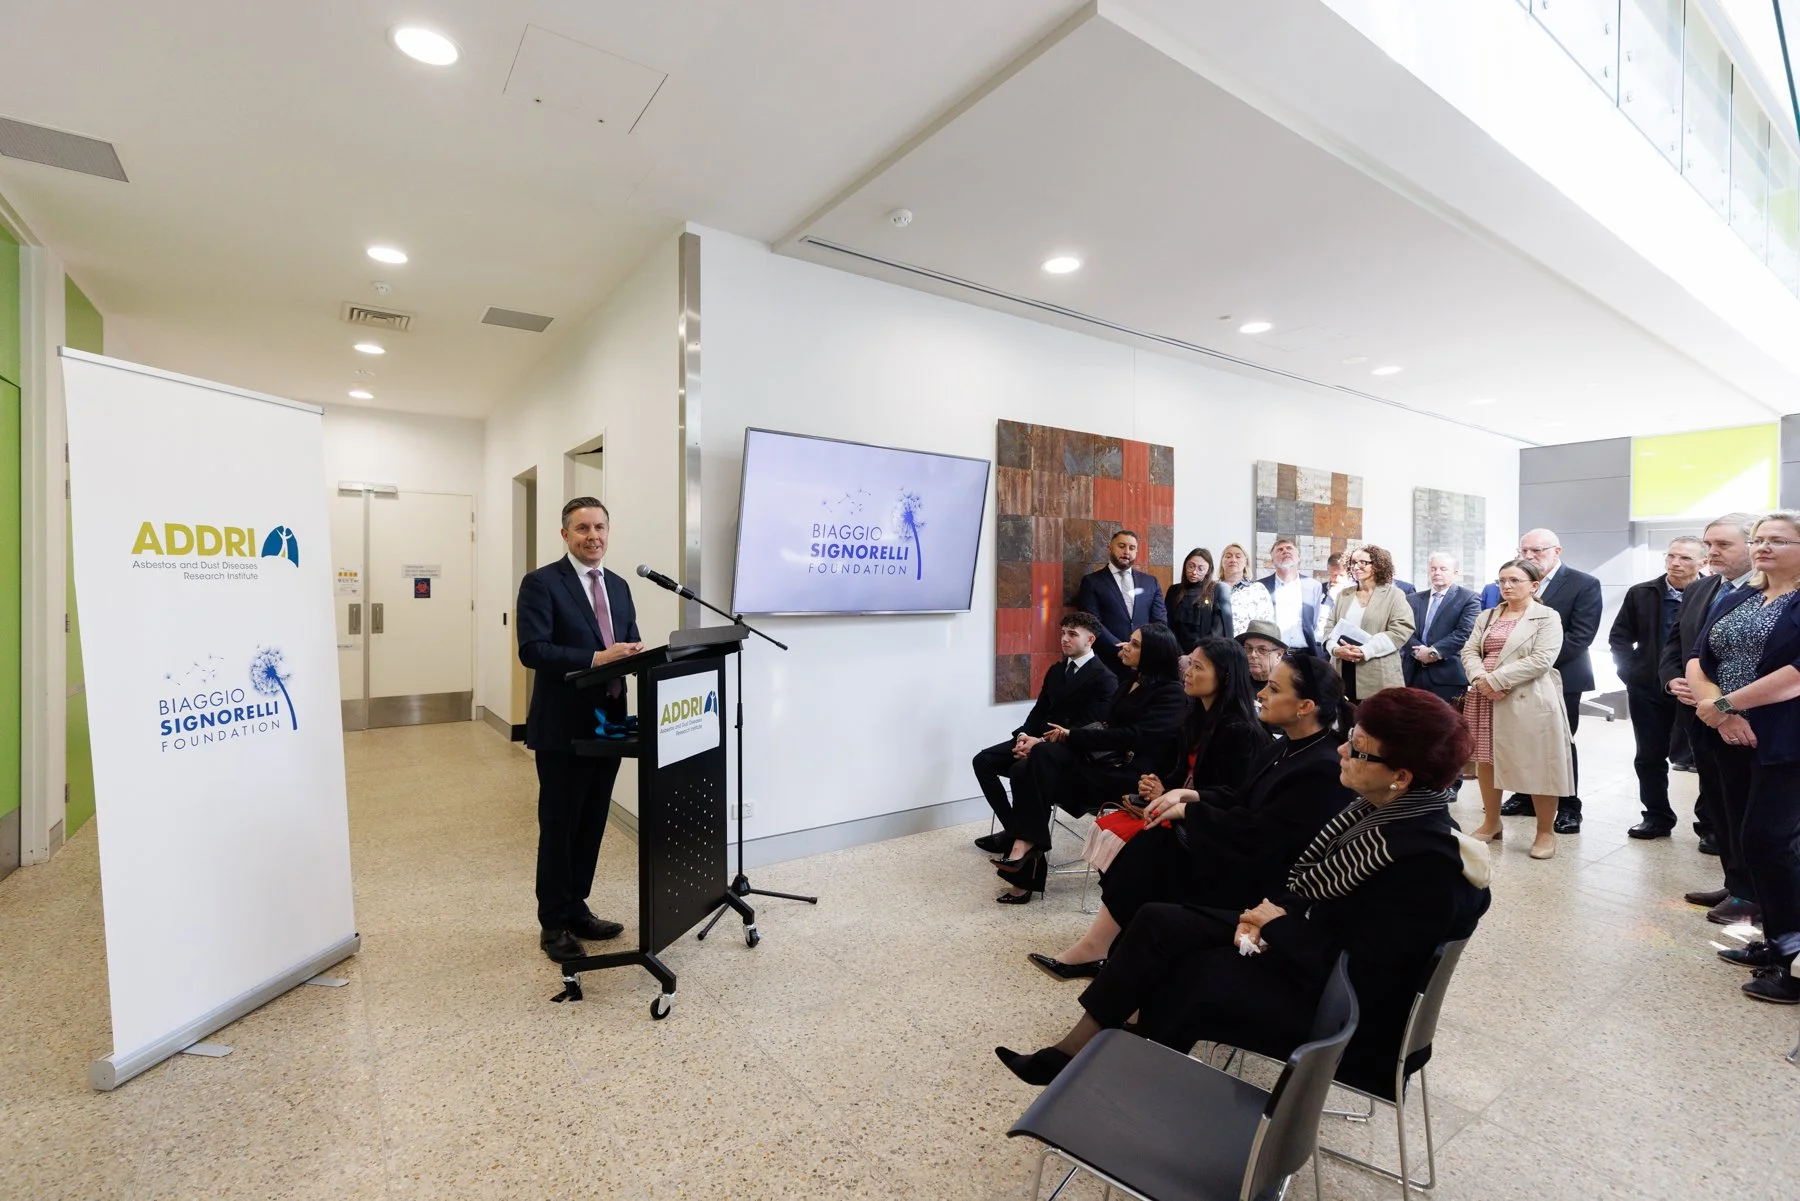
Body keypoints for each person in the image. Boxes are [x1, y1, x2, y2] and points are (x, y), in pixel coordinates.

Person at [995, 687, 1492, 1091]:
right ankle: (1074, 1053)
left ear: (1401, 776)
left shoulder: (1423, 861)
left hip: (1344, 1013)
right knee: (1158, 920)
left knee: (1191, 972)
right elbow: (1312, 886)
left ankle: (1130, 1086)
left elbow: (1369, 972)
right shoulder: (1379, 813)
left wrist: (1273, 925)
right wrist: (1267, 917)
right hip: (1306, 942)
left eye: (1358, 749)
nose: (1343, 750)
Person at [1028, 648, 1343, 979]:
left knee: (1156, 847)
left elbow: (1262, 831)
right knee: (1153, 842)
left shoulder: (1316, 765)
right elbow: (1239, 795)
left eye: (1274, 689)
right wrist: (1185, 794)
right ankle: (1105, 945)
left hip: (1262, 875)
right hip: (1243, 845)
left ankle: (1105, 947)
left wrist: (1188, 809)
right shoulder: (1283, 746)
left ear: (1305, 707)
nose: (1261, 694)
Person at [516, 498, 645, 963]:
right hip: (563, 727)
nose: (594, 536)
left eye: (600, 527)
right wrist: (597, 658)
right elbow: (533, 650)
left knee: (591, 822)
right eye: (583, 528)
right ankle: (553, 922)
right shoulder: (542, 583)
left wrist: (635, 653)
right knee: (560, 825)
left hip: (610, 726)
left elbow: (626, 639)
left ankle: (577, 907)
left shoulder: (620, 585)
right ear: (565, 534)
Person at [1688, 511, 1800, 1004]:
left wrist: (1727, 705)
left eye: (1779, 540)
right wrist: (1720, 714)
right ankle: (1776, 943)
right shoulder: (1741, 596)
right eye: (1758, 539)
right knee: (1746, 840)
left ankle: (1794, 960)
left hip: (1784, 739)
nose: (1763, 547)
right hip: (1729, 736)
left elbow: (1796, 674)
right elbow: (1698, 658)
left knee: (1771, 841)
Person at [994, 624, 1187, 903]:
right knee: (1028, 765)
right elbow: (1107, 727)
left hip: (1132, 775)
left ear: (1154, 653)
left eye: (1134, 644)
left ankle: (1024, 850)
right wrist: (1055, 738)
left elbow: (1133, 736)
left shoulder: (1171, 693)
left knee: (1030, 769)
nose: (1124, 646)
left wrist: (1071, 735)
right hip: (1104, 762)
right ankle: (1024, 849)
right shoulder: (1130, 683)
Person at [1662, 515, 1759, 922]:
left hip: (1746, 719)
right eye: (1709, 544)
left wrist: (1723, 705)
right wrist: (1672, 680)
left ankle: (1756, 894)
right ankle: (1736, 883)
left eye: (1723, 544)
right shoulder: (1701, 588)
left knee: (1750, 810)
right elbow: (1676, 644)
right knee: (1719, 804)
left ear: (1752, 546)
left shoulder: (1771, 590)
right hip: (1698, 716)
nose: (1712, 552)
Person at [971, 612, 1119, 854]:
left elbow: (1086, 728)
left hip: (1068, 750)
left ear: (1090, 640)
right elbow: (1039, 711)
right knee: (983, 761)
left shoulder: (1105, 678)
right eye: (1063, 633)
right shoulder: (1057, 671)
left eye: (1072, 634)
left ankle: (1021, 840)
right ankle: (1014, 831)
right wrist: (1023, 737)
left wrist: (1037, 743)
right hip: (1035, 740)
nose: (1064, 639)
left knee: (1022, 771)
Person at [1463, 559, 1574, 861]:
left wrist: (1495, 679)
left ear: (1534, 585)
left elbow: (1542, 659)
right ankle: (1491, 822)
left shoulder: (1546, 617)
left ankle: (1545, 832)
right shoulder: (1488, 615)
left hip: (1527, 697)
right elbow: (1470, 650)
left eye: (1514, 580)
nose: (1507, 586)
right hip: (1485, 696)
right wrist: (1479, 678)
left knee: (1538, 763)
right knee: (1486, 760)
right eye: (1502, 580)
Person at [1499, 529, 1602, 832]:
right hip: (1515, 678)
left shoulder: (1584, 583)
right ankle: (1525, 797)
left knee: (1560, 743)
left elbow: (1580, 637)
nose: (1529, 556)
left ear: (1557, 551)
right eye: (1524, 551)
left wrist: (1532, 664)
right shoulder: (1512, 582)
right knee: (1522, 738)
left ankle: (1569, 807)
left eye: (1537, 551)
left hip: (1561, 676)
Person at [1610, 537, 1704, 840]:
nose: (1675, 563)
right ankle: (1656, 817)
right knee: (1649, 756)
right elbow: (1620, 637)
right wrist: (1631, 674)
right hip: (1648, 688)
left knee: (1706, 759)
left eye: (1685, 558)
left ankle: (1711, 826)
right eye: (1671, 556)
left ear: (1703, 562)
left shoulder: (1714, 593)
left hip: (1697, 690)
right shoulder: (1642, 593)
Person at [1326, 545, 1415, 703]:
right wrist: (1335, 649)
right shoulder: (1344, 595)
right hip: (1342, 669)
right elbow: (1329, 627)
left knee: (1376, 717)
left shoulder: (1394, 595)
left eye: (1363, 562)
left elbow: (1401, 630)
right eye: (1353, 562)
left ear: (1378, 565)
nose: (1356, 567)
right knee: (1344, 715)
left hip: (1378, 673)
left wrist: (1365, 650)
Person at [1076, 529, 1168, 681]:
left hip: (1143, 664)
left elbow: (1160, 621)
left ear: (1137, 551)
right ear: (1110, 548)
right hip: (1108, 663)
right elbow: (1092, 622)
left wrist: (1143, 647)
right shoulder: (1092, 582)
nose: (1126, 552)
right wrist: (1121, 649)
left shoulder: (1150, 582)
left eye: (1132, 548)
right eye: (1122, 546)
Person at [1403, 552, 1480, 706]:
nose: (1437, 572)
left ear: (1455, 573)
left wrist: (1433, 652)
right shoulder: (1412, 599)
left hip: (1447, 675)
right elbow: (1404, 629)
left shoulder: (1469, 598)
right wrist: (1419, 652)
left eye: (1443, 569)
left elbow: (1464, 632)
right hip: (1413, 672)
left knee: (1447, 720)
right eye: (1433, 569)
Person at [1258, 536, 1324, 656]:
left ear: (1298, 558)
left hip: (1306, 654)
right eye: (1280, 549)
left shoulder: (1314, 586)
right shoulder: (1260, 587)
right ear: (1272, 561)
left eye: (1289, 548)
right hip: (1272, 654)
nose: (1285, 551)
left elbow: (1316, 622)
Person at [1165, 547, 1232, 651]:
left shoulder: (1217, 590)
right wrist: (1180, 654)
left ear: (1208, 570)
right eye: (1191, 566)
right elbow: (1168, 625)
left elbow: (1218, 630)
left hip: (1207, 652)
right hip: (1176, 652)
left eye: (1200, 569)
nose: (1194, 572)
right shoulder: (1174, 590)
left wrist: (1197, 653)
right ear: (1185, 566)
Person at [1219, 542, 1274, 637]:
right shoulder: (1212, 588)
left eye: (1238, 556)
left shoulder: (1257, 589)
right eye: (1228, 556)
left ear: (1245, 562)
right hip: (1216, 644)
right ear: (1222, 562)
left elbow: (1266, 624)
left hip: (1247, 643)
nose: (1233, 560)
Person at [1238, 619, 1287, 686]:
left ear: (1279, 655)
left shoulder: (1289, 686)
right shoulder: (1236, 683)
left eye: (1262, 649)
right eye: (1249, 648)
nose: (1253, 655)